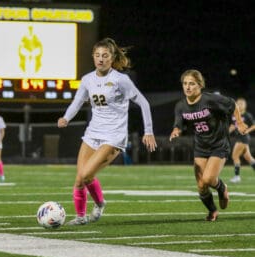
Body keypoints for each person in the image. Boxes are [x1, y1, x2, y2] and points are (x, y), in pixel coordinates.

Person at [58, 37, 157, 225]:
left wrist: (149, 131)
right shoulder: (87, 79)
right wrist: (66, 118)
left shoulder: (120, 80)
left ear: (112, 59)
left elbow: (143, 102)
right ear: (93, 57)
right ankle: (80, 217)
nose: (100, 59)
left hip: (114, 136)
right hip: (92, 133)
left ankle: (100, 203)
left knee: (87, 175)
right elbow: (77, 102)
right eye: (97, 55)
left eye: (105, 55)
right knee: (80, 179)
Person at [169, 69, 247, 221]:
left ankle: (222, 187)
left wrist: (240, 122)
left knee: (208, 179)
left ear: (200, 85)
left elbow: (232, 104)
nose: (188, 87)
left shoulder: (210, 100)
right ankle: (213, 211)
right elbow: (179, 123)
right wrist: (176, 130)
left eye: (192, 83)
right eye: (185, 83)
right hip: (200, 147)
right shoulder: (180, 106)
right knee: (201, 186)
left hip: (218, 144)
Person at [229, 97, 255, 183]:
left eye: (242, 104)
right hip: (239, 137)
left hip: (243, 138)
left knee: (235, 156)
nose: (240, 105)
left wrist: (247, 130)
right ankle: (237, 177)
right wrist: (226, 133)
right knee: (249, 158)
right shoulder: (235, 115)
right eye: (238, 103)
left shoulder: (247, 115)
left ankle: (237, 177)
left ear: (245, 105)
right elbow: (233, 126)